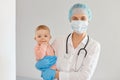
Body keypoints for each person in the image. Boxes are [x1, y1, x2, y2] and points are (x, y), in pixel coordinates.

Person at [36, 3, 101, 80]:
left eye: (83, 18)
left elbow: (84, 76)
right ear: (70, 20)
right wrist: (41, 63)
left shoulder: (94, 46)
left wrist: (56, 74)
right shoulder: (59, 41)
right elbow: (47, 64)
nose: (79, 22)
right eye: (75, 18)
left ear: (88, 20)